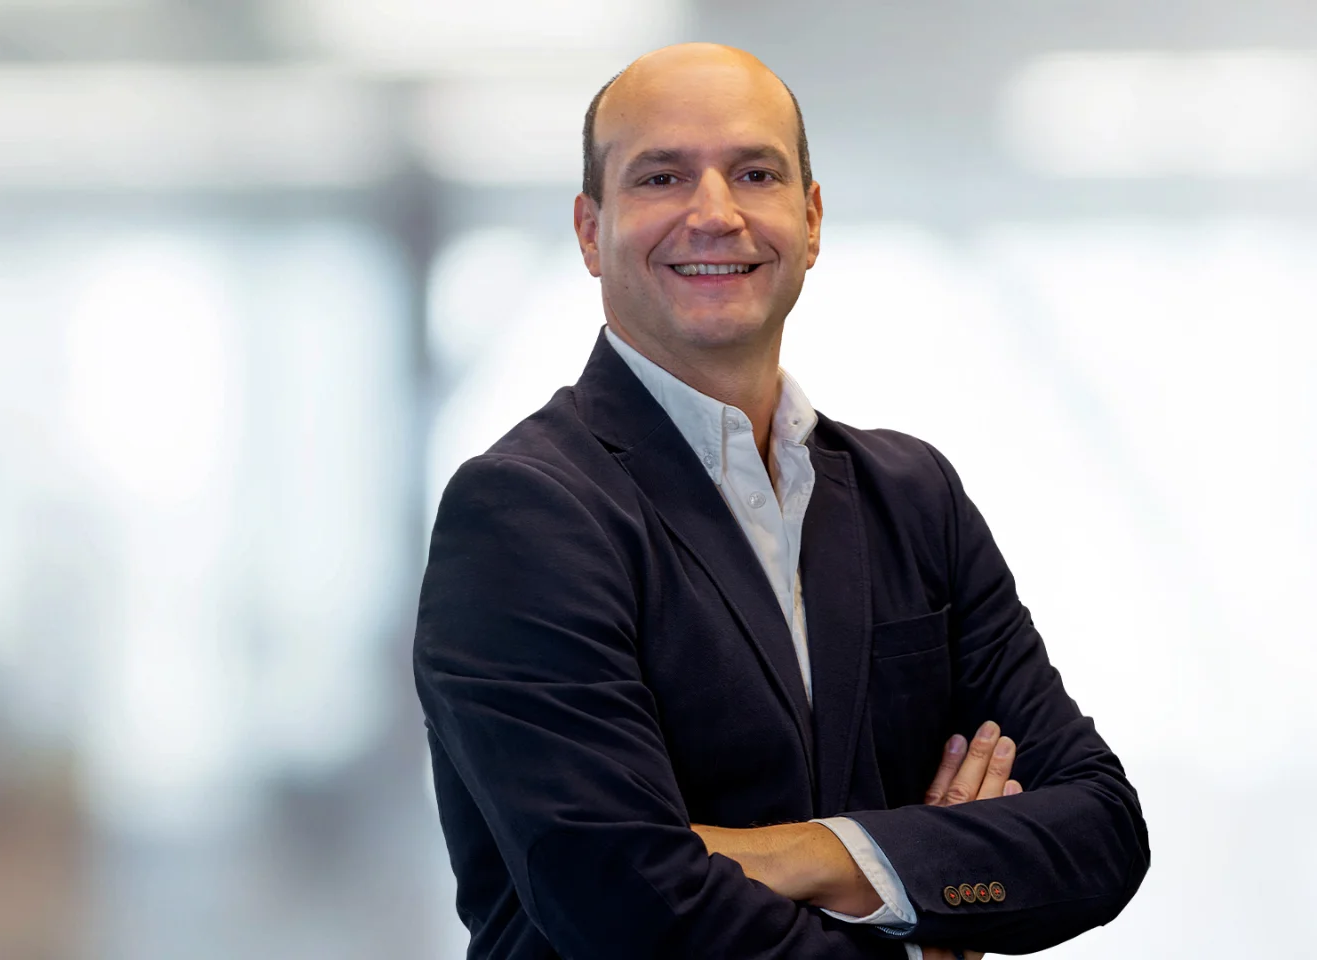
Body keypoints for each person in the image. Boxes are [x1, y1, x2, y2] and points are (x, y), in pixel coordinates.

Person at [412, 42, 1150, 960]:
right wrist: (922, 926)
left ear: (809, 220)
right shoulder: (526, 512)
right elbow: (621, 900)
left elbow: (1102, 831)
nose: (714, 214)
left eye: (754, 173)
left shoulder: (914, 499)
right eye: (661, 177)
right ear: (590, 231)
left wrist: (795, 855)